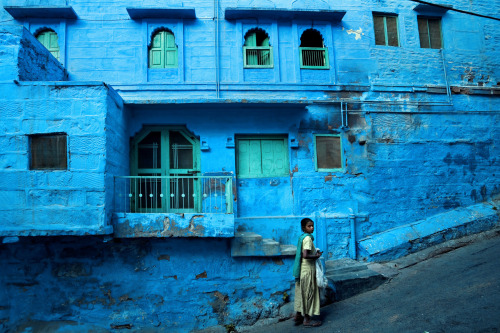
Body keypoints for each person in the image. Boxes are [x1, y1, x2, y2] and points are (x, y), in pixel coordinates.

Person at [292, 218, 322, 327]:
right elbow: (305, 255)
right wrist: (316, 256)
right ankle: (307, 320)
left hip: (302, 270)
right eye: (309, 226)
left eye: (313, 225)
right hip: (308, 270)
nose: (312, 228)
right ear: (304, 228)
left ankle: (298, 316)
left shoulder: (302, 237)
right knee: (308, 293)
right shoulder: (308, 239)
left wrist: (314, 251)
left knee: (301, 292)